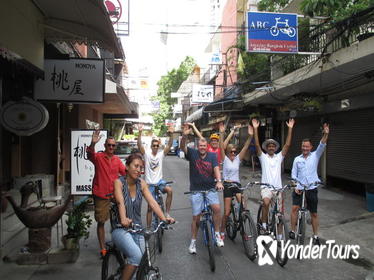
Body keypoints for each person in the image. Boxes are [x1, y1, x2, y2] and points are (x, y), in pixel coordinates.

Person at [111, 154, 174, 280]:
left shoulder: (142, 184)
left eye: (140, 167)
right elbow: (120, 202)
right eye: (135, 166)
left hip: (138, 230)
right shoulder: (119, 183)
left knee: (142, 264)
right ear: (127, 167)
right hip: (120, 229)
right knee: (136, 257)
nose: (138, 169)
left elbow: (152, 203)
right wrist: (123, 219)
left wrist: (164, 218)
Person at [180, 123, 224, 254]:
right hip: (196, 190)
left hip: (210, 188)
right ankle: (193, 242)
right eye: (200, 146)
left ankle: (216, 234)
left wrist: (219, 181)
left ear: (207, 147)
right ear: (197, 147)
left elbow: (216, 169)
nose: (202, 148)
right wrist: (184, 136)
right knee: (196, 218)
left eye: (204, 146)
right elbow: (183, 147)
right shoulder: (193, 154)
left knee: (216, 209)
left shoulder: (212, 156)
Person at [86, 130, 126, 257]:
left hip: (114, 194)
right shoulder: (98, 157)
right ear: (104, 145)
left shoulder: (117, 160)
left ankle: (120, 243)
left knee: (122, 219)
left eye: (113, 145)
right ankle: (103, 249)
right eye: (109, 145)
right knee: (101, 221)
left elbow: (125, 172)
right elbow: (89, 154)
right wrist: (93, 143)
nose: (111, 147)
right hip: (101, 194)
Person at [252, 118, 295, 235]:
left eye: (273, 146)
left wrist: (290, 129)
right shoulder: (263, 157)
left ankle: (280, 235)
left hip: (278, 189)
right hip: (266, 188)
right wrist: (255, 129)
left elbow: (287, 144)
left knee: (279, 214)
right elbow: (256, 144)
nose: (271, 147)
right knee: (266, 203)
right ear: (266, 148)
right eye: (269, 146)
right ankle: (264, 224)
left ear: (275, 148)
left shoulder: (279, 157)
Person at [289, 123, 330, 245]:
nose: (305, 148)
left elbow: (322, 144)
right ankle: (292, 230)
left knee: (314, 213)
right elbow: (293, 175)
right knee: (294, 208)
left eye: (307, 147)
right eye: (303, 146)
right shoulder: (297, 159)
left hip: (312, 188)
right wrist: (295, 185)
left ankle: (316, 236)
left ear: (311, 147)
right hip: (299, 188)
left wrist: (326, 134)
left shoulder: (315, 156)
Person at [218, 121, 253, 240]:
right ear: (228, 152)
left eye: (234, 151)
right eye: (231, 151)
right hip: (227, 185)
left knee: (243, 206)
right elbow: (221, 146)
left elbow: (246, 146)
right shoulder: (225, 159)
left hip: (237, 184)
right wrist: (222, 133)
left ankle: (243, 231)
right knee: (227, 212)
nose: (233, 153)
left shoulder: (238, 159)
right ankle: (222, 231)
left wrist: (251, 136)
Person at [137, 124, 175, 227]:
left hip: (159, 182)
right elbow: (139, 145)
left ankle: (166, 213)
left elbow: (169, 145)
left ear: (158, 147)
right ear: (151, 146)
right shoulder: (147, 154)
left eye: (157, 146)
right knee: (150, 207)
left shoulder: (160, 154)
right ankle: (149, 228)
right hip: (149, 184)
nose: (155, 147)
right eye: (153, 145)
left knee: (170, 191)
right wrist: (140, 133)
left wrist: (171, 134)